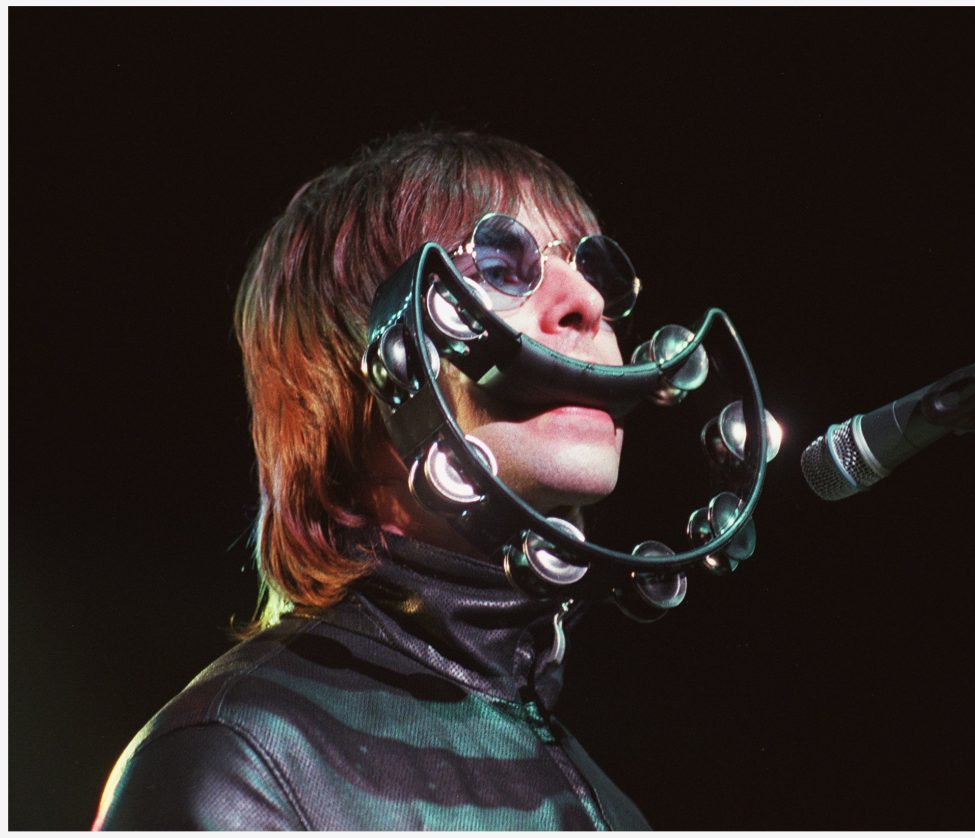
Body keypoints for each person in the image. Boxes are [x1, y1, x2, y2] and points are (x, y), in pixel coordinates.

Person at [93, 130, 650, 830]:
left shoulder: (611, 804)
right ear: (366, 366)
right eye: (500, 264)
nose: (586, 301)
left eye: (592, 267)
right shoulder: (237, 761)